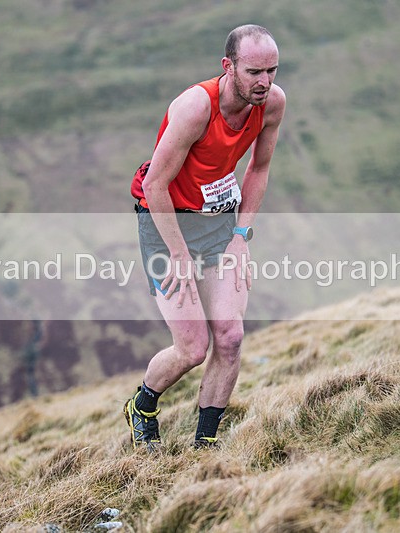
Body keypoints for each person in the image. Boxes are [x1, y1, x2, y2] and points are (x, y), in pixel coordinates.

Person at [124, 24, 286, 450]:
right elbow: (156, 185)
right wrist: (178, 253)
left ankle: (205, 446)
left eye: (271, 70)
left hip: (217, 222)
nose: (264, 82)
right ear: (227, 66)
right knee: (193, 347)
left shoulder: (272, 103)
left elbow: (259, 169)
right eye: (254, 71)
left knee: (230, 338)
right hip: (165, 222)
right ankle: (142, 405)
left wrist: (241, 236)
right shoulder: (197, 107)